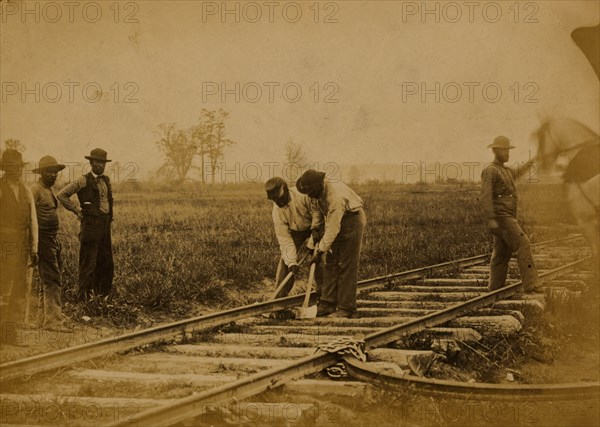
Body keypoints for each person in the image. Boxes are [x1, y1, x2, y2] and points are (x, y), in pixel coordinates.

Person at [296, 170, 366, 318]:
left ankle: (347, 308)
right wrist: (315, 228)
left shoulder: (335, 196)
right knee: (331, 263)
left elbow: (333, 229)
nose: (310, 196)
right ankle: (327, 304)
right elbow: (317, 208)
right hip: (335, 220)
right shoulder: (315, 192)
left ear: (320, 184)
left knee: (346, 264)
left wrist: (319, 251)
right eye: (307, 193)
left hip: (352, 219)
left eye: (311, 192)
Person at [479, 136, 539, 292]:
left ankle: (494, 290)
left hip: (506, 217)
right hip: (502, 217)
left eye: (508, 150)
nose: (508, 153)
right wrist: (491, 218)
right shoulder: (490, 170)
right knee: (523, 244)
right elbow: (485, 197)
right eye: (505, 150)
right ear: (496, 150)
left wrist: (533, 160)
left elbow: (519, 171)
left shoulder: (505, 171)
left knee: (501, 253)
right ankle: (531, 284)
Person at [57, 148, 114, 301]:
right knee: (88, 262)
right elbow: (62, 195)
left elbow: (107, 202)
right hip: (90, 226)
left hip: (104, 226)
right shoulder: (82, 180)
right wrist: (77, 211)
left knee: (105, 261)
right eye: (97, 162)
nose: (100, 165)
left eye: (102, 162)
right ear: (91, 162)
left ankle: (102, 297)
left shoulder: (106, 180)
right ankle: (83, 298)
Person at [0, 149, 38, 346]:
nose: (15, 171)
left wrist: (34, 248)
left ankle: (10, 334)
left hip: (21, 247)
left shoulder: (26, 190)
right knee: (2, 289)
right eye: (10, 167)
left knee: (18, 290)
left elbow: (33, 220)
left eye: (18, 167)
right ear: (4, 168)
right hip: (3, 246)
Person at [265, 177, 323, 299]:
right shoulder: (277, 212)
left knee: (319, 257)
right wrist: (291, 262)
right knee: (285, 262)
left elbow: (316, 212)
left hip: (315, 227)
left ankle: (324, 295)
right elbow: (284, 239)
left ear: (286, 190)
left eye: (280, 198)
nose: (278, 202)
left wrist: (313, 239)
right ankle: (279, 299)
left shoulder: (302, 195)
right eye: (274, 200)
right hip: (296, 232)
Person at [30, 155, 70, 331]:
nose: (53, 175)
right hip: (43, 240)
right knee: (52, 279)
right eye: (49, 171)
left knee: (49, 279)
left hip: (53, 239)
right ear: (41, 172)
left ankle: (43, 319)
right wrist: (33, 244)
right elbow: (27, 218)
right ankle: (53, 321)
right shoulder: (35, 190)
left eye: (55, 172)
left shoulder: (48, 190)